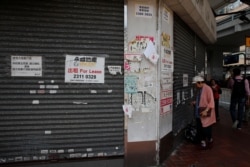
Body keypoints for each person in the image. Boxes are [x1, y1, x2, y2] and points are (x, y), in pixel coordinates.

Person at [192, 75, 216, 149]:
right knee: (199, 127)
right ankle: (203, 141)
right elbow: (202, 100)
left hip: (205, 111)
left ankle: (209, 139)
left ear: (199, 82)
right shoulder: (199, 89)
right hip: (199, 111)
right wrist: (196, 103)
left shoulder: (208, 89)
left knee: (206, 128)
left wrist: (206, 110)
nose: (195, 85)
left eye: (195, 84)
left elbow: (211, 102)